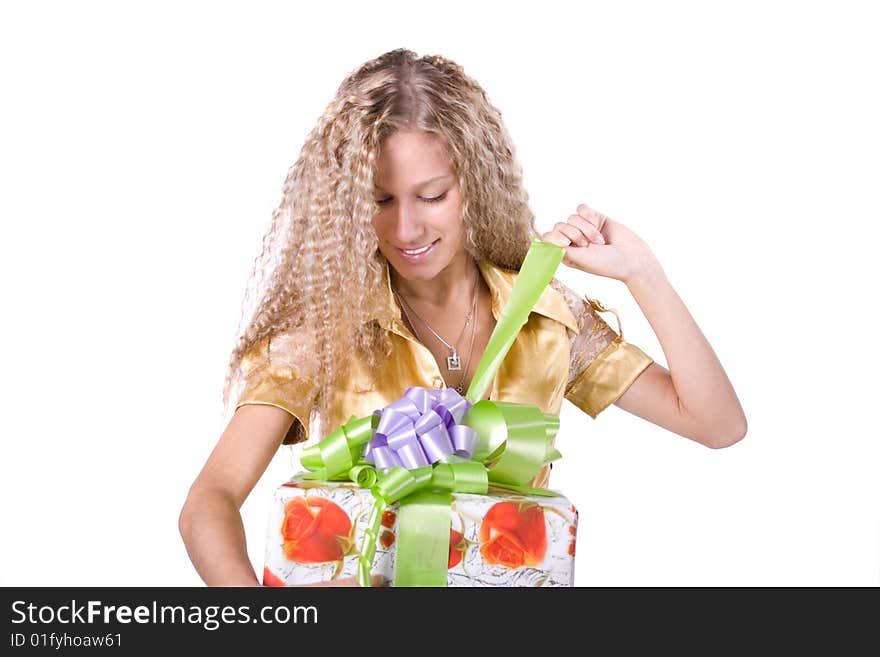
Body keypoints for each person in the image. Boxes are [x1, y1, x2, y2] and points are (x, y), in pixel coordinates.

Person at [179, 48, 747, 587]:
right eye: (380, 201)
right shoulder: (325, 329)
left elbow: (716, 425)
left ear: (472, 183)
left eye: (431, 196)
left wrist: (643, 273)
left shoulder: (548, 317)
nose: (406, 230)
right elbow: (210, 500)